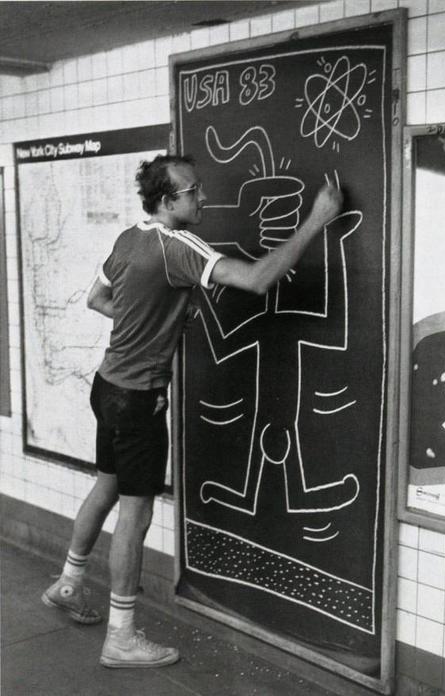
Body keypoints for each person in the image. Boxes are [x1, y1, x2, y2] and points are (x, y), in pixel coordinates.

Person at [41, 154, 343, 669]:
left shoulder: (127, 239)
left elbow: (98, 298)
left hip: (107, 387)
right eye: (193, 192)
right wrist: (318, 217)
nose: (203, 198)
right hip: (138, 399)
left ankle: (69, 583)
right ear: (167, 201)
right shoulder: (179, 246)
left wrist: (151, 323)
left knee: (106, 486)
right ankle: (121, 637)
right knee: (135, 515)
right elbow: (256, 279)